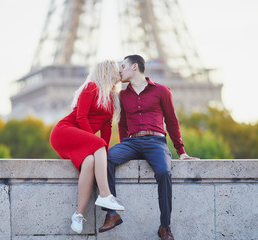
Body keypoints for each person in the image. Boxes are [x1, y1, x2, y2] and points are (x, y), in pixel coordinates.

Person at [99, 55, 199, 240]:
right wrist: (124, 146)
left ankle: (165, 226)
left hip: (156, 143)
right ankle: (112, 213)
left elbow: (171, 121)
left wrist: (181, 151)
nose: (120, 71)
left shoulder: (162, 91)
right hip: (132, 142)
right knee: (106, 158)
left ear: (134, 67)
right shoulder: (122, 96)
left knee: (164, 173)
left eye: (123, 66)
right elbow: (122, 125)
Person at [50, 60, 125, 234]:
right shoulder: (91, 87)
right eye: (116, 69)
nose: (119, 73)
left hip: (82, 139)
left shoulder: (112, 98)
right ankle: (105, 195)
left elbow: (107, 129)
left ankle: (78, 214)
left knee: (90, 161)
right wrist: (95, 143)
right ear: (107, 71)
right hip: (64, 132)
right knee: (98, 145)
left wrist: (102, 157)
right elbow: (81, 117)